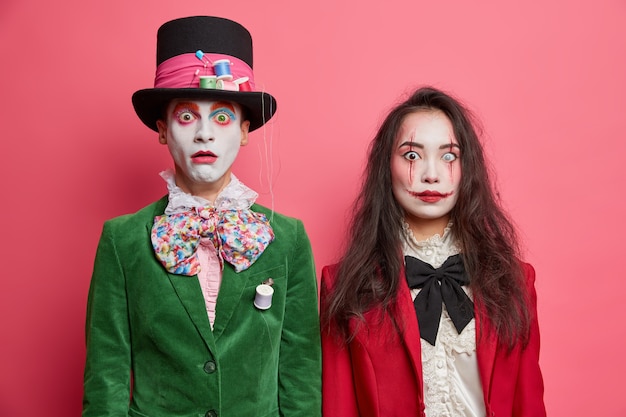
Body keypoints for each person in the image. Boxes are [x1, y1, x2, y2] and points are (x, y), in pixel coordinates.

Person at [83, 16, 321, 417]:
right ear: (162, 129)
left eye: (223, 117)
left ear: (245, 130)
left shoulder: (289, 238)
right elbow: (106, 377)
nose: (205, 134)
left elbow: (300, 374)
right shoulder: (121, 240)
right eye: (187, 116)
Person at [320, 87, 546, 417]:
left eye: (448, 156)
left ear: (468, 168)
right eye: (412, 155)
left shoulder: (514, 281)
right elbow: (339, 409)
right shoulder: (342, 285)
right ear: (387, 166)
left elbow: (529, 405)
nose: (430, 174)